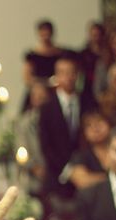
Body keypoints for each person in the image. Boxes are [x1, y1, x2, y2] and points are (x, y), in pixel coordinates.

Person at [38, 54, 94, 195]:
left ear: (77, 75)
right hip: (57, 175)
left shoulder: (88, 103)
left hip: (84, 173)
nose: (68, 77)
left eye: (71, 72)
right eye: (63, 72)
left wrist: (79, 169)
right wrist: (67, 170)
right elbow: (46, 145)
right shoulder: (47, 108)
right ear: (56, 75)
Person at [66, 110, 111, 191]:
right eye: (89, 125)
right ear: (84, 133)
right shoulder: (80, 156)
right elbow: (82, 182)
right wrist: (114, 179)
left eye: (99, 122)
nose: (95, 128)